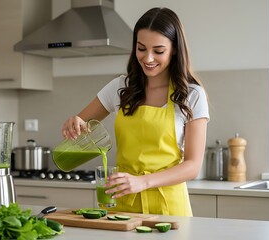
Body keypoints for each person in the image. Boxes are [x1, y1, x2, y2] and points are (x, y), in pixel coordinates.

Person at [61, 7, 209, 216]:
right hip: (121, 205)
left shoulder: (191, 95)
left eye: (158, 51)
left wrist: (142, 182)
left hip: (169, 208)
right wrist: (74, 123)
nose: (148, 58)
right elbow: (81, 123)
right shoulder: (120, 87)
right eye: (141, 48)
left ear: (175, 49)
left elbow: (193, 166)